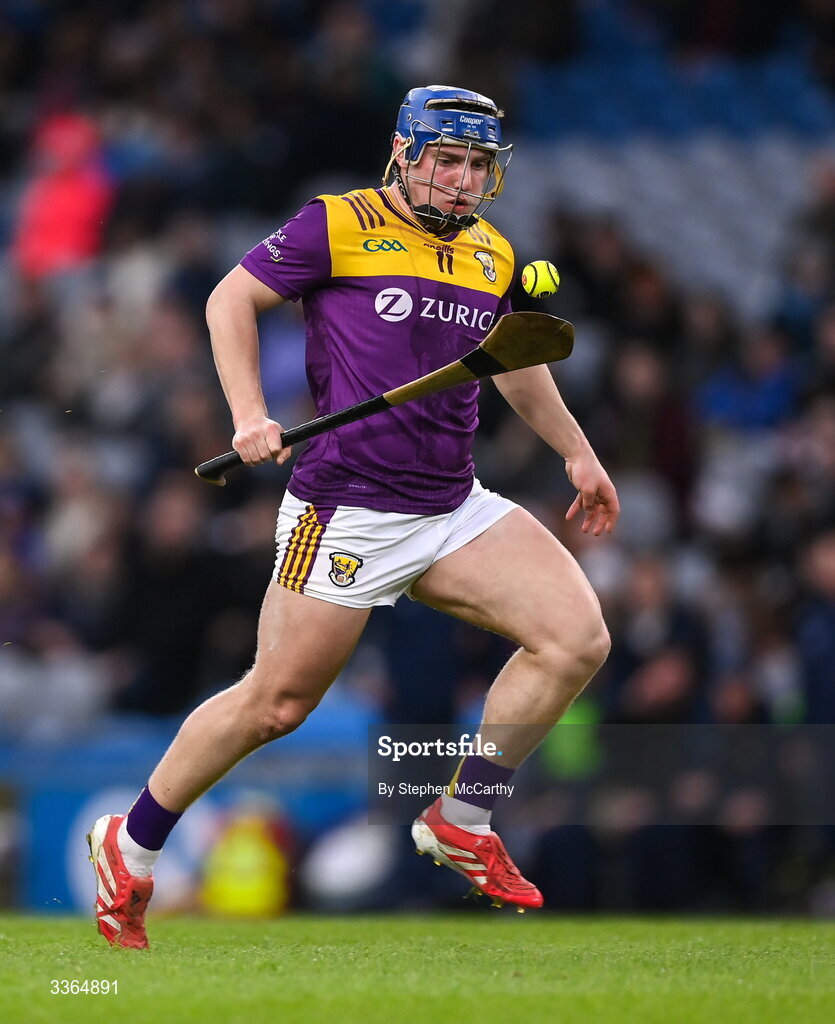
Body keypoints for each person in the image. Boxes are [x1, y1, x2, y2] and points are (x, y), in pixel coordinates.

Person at [88, 85, 619, 948]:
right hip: (344, 509)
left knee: (575, 638)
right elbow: (230, 299)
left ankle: (461, 818)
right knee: (275, 702)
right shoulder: (337, 222)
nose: (462, 180)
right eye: (447, 160)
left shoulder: (489, 252)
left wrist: (577, 452)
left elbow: (511, 363)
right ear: (405, 155)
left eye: (478, 164)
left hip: (451, 503)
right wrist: (249, 415)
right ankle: (132, 840)